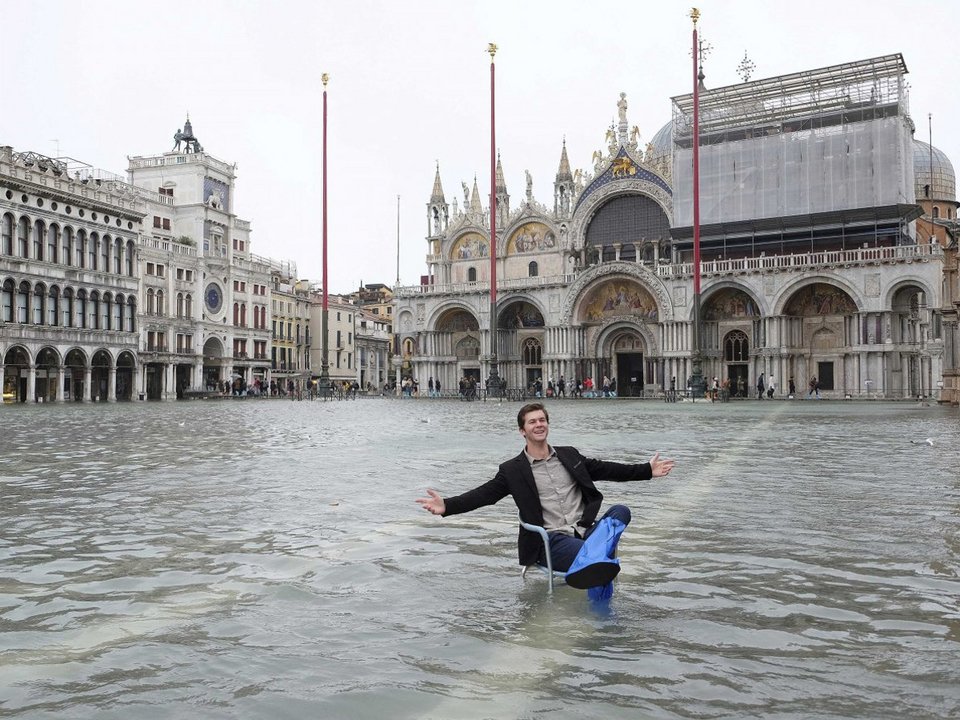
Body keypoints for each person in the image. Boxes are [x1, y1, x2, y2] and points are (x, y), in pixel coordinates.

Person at [415, 402, 676, 579]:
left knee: (621, 511)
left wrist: (646, 470)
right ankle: (596, 559)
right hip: (551, 540)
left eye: (542, 420)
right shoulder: (512, 470)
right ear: (522, 430)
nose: (538, 424)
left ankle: (594, 556)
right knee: (587, 554)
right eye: (532, 422)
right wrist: (447, 506)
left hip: (586, 529)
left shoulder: (569, 454)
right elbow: (484, 495)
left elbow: (607, 469)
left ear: (547, 425)